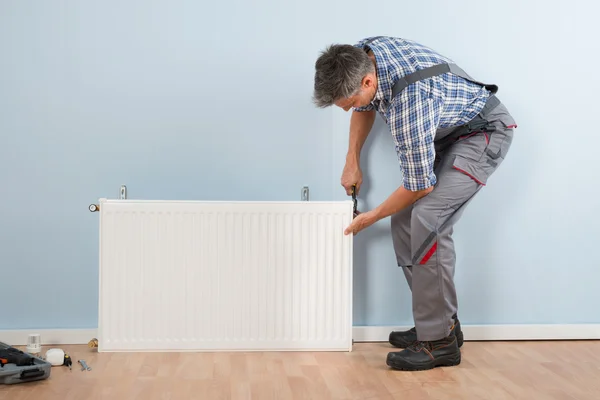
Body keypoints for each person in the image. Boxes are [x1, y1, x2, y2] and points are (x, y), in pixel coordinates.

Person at [312, 36, 517, 371]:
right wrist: (352, 160)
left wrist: (371, 217)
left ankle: (439, 344)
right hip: (448, 131)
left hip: (482, 133)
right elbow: (364, 105)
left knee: (426, 218)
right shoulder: (363, 54)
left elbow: (418, 187)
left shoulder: (411, 102)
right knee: (404, 222)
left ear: (367, 80)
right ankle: (439, 324)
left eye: (348, 102)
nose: (348, 109)